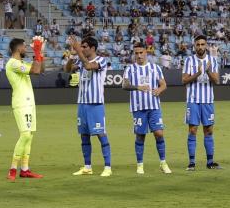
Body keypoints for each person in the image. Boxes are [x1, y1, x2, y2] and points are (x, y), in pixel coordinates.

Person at [65, 36, 112, 177]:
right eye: (82, 46)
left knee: (100, 134)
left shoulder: (101, 61)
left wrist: (77, 50)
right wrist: (72, 56)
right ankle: (87, 166)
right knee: (84, 136)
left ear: (92, 48)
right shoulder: (79, 60)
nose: (82, 49)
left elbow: (88, 66)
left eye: (85, 46)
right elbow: (68, 69)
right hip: (82, 103)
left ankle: (108, 167)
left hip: (95, 103)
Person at [122, 42, 172, 175]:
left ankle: (163, 163)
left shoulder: (155, 68)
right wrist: (138, 87)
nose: (139, 56)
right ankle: (140, 165)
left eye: (141, 52)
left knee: (159, 133)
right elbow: (124, 85)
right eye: (136, 53)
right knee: (140, 136)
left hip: (154, 106)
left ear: (146, 52)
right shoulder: (130, 69)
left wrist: (159, 90)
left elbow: (163, 84)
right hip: (138, 108)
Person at [5, 37, 46, 181]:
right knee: (25, 135)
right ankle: (12, 169)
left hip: (29, 103)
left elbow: (40, 69)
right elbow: (35, 70)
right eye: (24, 47)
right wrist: (36, 51)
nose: (26, 48)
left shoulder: (20, 63)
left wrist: (40, 53)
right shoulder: (13, 63)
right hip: (21, 103)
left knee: (29, 136)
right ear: (18, 48)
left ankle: (25, 169)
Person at [181, 35, 221, 171]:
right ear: (194, 46)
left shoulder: (213, 60)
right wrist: (198, 73)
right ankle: (191, 163)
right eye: (198, 44)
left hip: (208, 101)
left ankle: (210, 162)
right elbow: (184, 80)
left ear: (206, 46)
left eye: (202, 44)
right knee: (193, 130)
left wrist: (208, 70)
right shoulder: (189, 61)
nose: (200, 47)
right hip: (193, 100)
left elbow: (216, 80)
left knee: (208, 131)